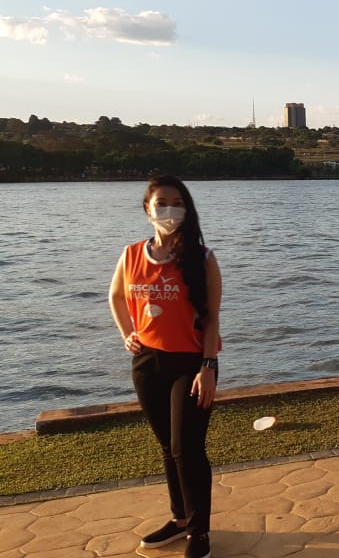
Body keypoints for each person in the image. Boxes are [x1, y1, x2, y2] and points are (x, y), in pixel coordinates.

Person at [108, 176, 222, 558]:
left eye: (177, 202)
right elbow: (116, 296)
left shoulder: (202, 259)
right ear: (147, 209)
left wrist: (207, 367)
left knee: (186, 447)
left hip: (191, 363)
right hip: (147, 363)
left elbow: (212, 320)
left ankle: (198, 532)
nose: (169, 209)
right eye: (161, 203)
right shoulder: (131, 254)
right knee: (166, 447)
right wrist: (128, 333)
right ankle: (178, 519)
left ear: (186, 210)